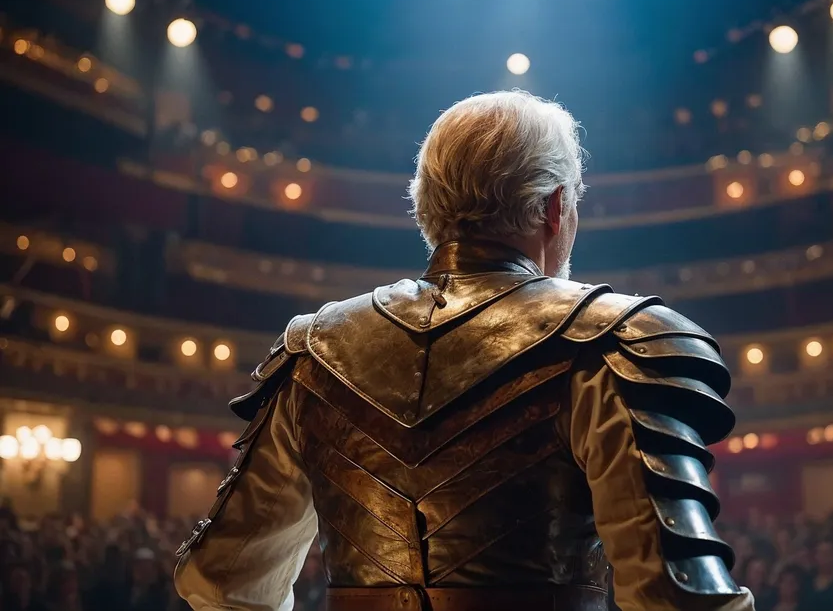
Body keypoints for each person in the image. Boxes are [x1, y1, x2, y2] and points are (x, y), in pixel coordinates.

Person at [174, 90, 754, 611]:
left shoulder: (312, 350)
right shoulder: (611, 344)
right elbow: (678, 600)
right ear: (555, 208)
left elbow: (221, 582)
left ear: (427, 210)